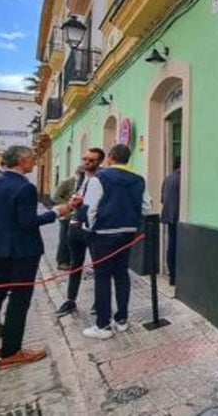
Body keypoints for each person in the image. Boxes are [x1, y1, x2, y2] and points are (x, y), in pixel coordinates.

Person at [0, 145, 71, 370]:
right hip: (20, 253)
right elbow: (27, 223)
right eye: (32, 159)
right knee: (19, 301)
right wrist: (56, 212)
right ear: (22, 161)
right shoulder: (24, 187)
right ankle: (11, 352)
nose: (34, 163)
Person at [81, 144, 147, 340]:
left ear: (110, 157)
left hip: (103, 233)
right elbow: (146, 205)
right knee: (121, 274)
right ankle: (122, 320)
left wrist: (89, 228)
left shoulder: (99, 178)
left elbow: (90, 208)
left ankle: (103, 325)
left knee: (102, 277)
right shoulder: (138, 179)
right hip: (127, 233)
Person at [56, 147, 105, 317]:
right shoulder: (82, 177)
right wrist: (74, 202)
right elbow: (76, 196)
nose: (86, 162)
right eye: (85, 159)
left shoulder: (103, 178)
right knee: (75, 264)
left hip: (92, 228)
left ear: (99, 162)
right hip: (75, 226)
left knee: (99, 266)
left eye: (91, 160)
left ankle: (100, 302)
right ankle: (70, 300)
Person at [53, 166, 85, 271]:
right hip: (66, 215)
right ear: (78, 174)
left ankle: (72, 261)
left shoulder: (84, 183)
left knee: (72, 240)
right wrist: (69, 206)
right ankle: (62, 262)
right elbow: (56, 197)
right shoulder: (67, 181)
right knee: (64, 239)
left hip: (77, 216)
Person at [161, 157, 181, 286]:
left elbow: (162, 199)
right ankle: (176, 275)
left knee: (171, 245)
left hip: (169, 216)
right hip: (179, 216)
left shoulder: (168, 178)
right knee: (177, 246)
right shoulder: (183, 178)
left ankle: (172, 275)